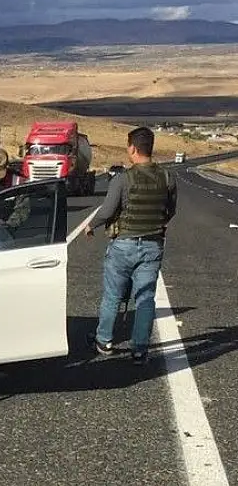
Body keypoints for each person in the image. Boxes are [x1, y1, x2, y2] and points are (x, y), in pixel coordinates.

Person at [85, 126, 178, 364]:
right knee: (145, 298)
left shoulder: (123, 179)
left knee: (112, 296)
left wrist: (90, 225)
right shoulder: (167, 177)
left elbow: (107, 211)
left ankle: (104, 341)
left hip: (123, 246)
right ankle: (140, 350)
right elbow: (171, 211)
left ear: (133, 148)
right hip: (153, 245)